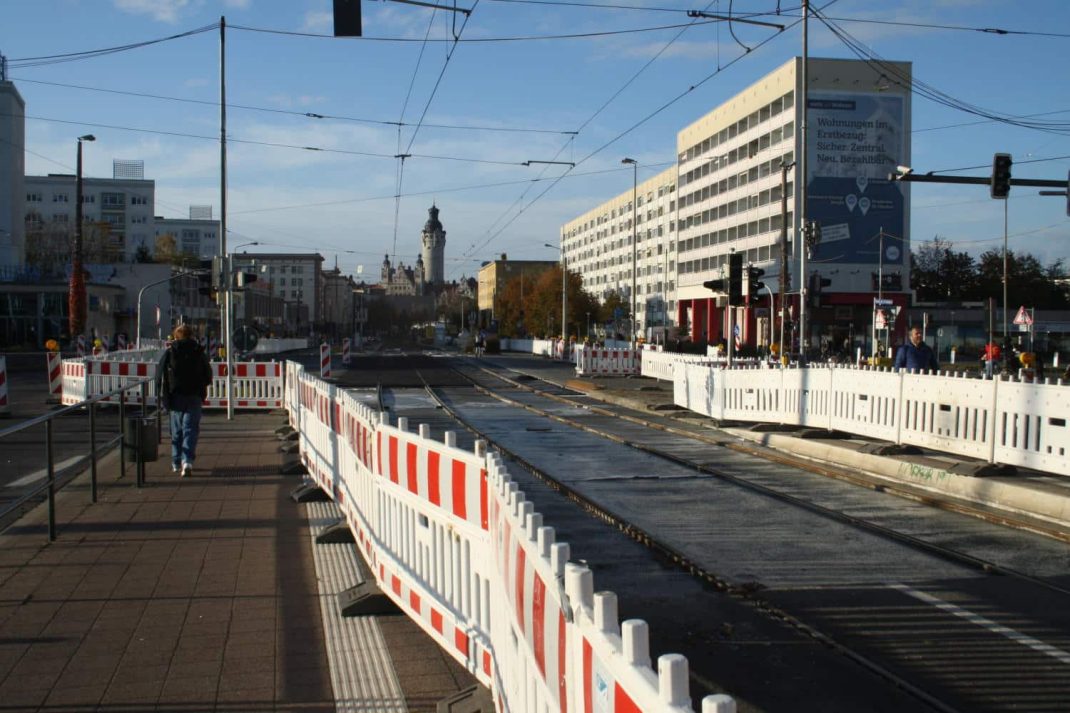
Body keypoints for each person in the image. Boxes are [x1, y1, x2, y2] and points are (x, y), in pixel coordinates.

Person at [160, 323, 213, 477]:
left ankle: (176, 462)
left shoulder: (170, 352)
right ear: (191, 336)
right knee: (190, 428)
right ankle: (187, 461)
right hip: (194, 395)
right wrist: (202, 386)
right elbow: (208, 374)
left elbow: (161, 374)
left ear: (176, 337)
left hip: (175, 395)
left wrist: (164, 396)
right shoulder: (198, 351)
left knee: (177, 431)